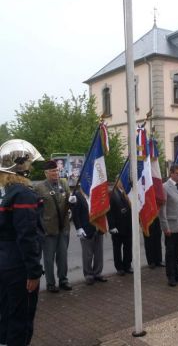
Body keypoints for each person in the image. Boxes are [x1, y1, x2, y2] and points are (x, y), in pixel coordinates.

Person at [0, 139, 44, 346]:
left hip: (3, 263)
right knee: (21, 320)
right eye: (28, 163)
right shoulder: (23, 193)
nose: (31, 167)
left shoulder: (5, 194)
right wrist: (34, 272)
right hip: (18, 266)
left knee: (5, 316)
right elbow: (27, 236)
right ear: (21, 166)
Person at [34, 160, 73, 293]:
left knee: (62, 256)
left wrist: (73, 200)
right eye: (52, 171)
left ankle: (63, 280)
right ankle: (51, 283)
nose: (55, 173)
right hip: (48, 229)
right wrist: (41, 228)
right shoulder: (39, 188)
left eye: (56, 170)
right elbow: (36, 211)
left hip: (63, 227)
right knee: (49, 259)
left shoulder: (64, 183)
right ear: (46, 173)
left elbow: (68, 200)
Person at [71, 190, 107, 285]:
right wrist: (79, 228)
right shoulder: (77, 195)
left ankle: (98, 273)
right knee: (87, 254)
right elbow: (75, 213)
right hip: (86, 228)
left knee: (99, 253)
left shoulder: (95, 191)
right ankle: (88, 275)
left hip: (98, 226)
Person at [107, 182, 133, 276]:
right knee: (117, 248)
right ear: (117, 182)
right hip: (117, 226)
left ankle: (127, 265)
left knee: (128, 247)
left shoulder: (128, 193)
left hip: (128, 226)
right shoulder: (112, 194)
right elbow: (109, 212)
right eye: (121, 181)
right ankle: (119, 267)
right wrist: (111, 226)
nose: (123, 183)